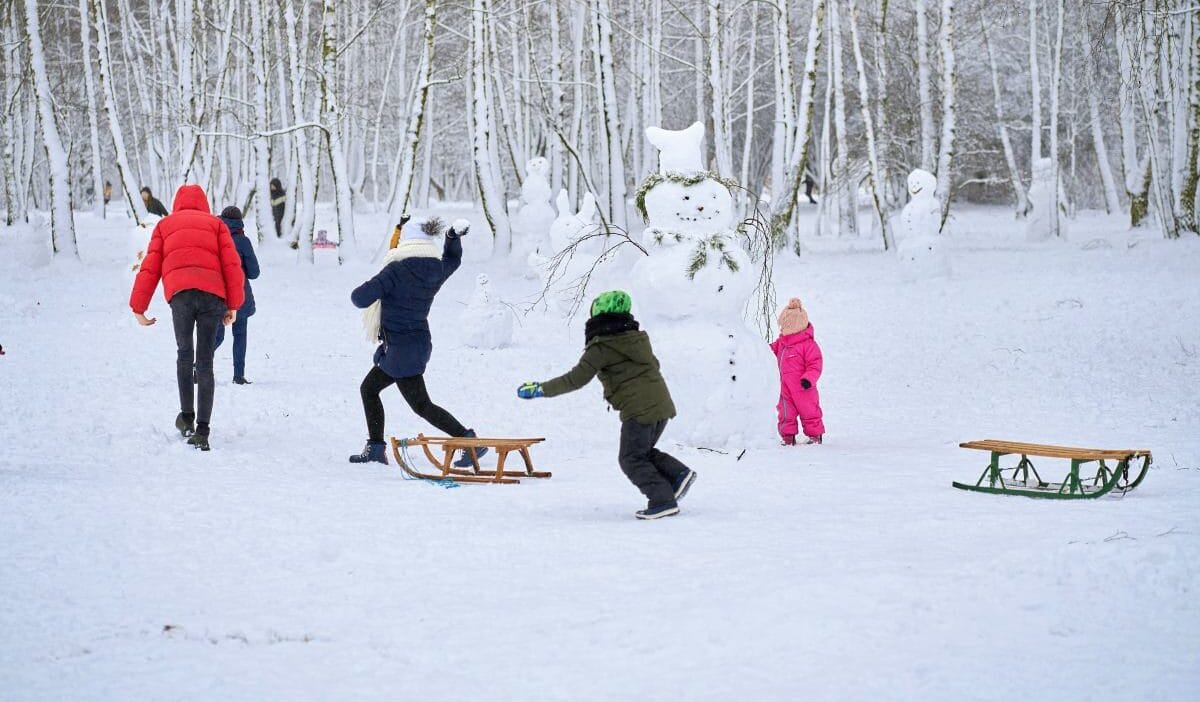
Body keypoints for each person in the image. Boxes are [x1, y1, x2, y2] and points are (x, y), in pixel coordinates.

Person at [515, 290, 697, 520]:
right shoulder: (637, 339)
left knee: (630, 458)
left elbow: (576, 379)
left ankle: (662, 500)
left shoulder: (602, 346)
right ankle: (679, 474)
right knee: (642, 452)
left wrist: (541, 389)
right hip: (661, 404)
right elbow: (655, 365)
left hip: (638, 409)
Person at [348, 217, 483, 466]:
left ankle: (468, 439)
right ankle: (378, 447)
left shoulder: (395, 271)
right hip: (418, 345)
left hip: (399, 350)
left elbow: (358, 298)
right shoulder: (435, 270)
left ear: (407, 242)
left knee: (412, 402)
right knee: (390, 394)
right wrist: (452, 238)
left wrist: (381, 280)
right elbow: (453, 260)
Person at [129, 184, 245, 451]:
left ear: (177, 203)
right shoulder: (217, 226)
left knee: (184, 353)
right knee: (205, 361)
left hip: (180, 295)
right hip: (212, 296)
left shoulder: (165, 225)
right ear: (204, 203)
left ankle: (187, 418)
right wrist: (233, 305)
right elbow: (231, 266)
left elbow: (150, 267)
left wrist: (139, 307)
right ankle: (203, 430)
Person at [213, 206, 260, 385]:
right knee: (240, 334)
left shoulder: (214, 237)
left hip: (217, 294)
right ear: (240, 221)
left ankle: (198, 365)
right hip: (239, 294)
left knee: (216, 336)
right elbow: (254, 273)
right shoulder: (242, 241)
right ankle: (238, 375)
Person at [771, 298, 824, 445]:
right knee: (785, 412)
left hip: (803, 387)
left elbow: (815, 364)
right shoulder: (781, 343)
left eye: (784, 326)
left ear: (794, 327)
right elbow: (768, 352)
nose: (781, 329)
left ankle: (815, 435)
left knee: (810, 411)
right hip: (784, 387)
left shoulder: (808, 345)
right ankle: (787, 437)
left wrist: (809, 379)